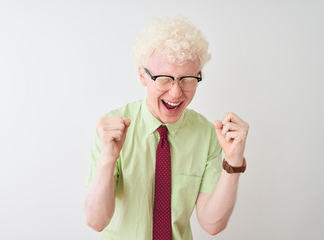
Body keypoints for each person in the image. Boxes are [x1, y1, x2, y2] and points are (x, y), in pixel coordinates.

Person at [84, 16, 249, 240]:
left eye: (187, 79)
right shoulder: (111, 130)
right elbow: (96, 221)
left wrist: (234, 162)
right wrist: (107, 160)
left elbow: (212, 224)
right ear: (143, 76)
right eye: (164, 79)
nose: (176, 93)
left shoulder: (207, 134)